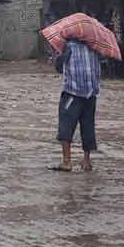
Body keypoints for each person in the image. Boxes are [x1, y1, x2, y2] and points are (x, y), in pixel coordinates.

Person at [51, 40, 101, 172]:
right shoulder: (94, 45)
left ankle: (67, 161)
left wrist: (61, 56)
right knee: (88, 125)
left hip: (72, 93)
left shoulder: (67, 45)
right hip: (91, 93)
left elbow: (58, 67)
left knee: (66, 124)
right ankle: (86, 161)